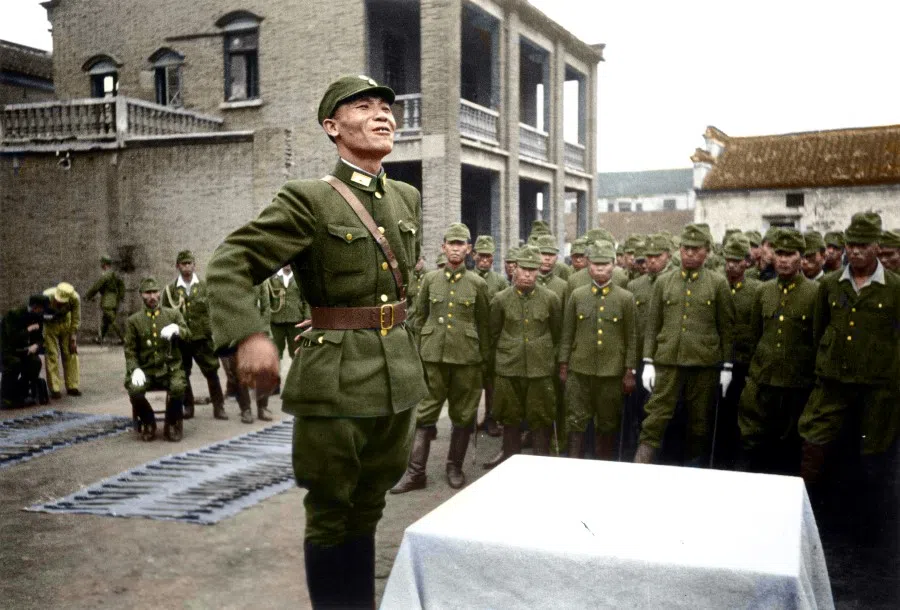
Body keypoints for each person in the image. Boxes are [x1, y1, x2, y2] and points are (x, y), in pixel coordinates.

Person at [206, 75, 426, 608]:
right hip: (337, 380)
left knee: (369, 506)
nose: (383, 115)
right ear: (333, 127)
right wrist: (249, 334)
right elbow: (231, 263)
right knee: (331, 509)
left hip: (397, 373)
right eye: (364, 107)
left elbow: (400, 285)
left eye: (386, 108)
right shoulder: (309, 199)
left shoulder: (406, 197)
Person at [798, 212, 900, 538]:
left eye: (863, 245)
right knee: (815, 444)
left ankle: (871, 529)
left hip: (876, 387)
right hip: (833, 382)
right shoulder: (831, 284)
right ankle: (810, 520)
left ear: (877, 246)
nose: (855, 251)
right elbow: (819, 330)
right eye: (851, 244)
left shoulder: (894, 288)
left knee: (873, 455)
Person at [392, 222, 490, 493]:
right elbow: (418, 318)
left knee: (463, 415)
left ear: (468, 249)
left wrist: (483, 362)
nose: (456, 249)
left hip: (466, 360)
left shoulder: (478, 284)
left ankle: (454, 467)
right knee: (424, 414)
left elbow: (485, 326)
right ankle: (416, 473)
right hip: (432, 358)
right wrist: (417, 353)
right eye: (451, 244)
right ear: (443, 247)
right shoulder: (430, 280)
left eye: (461, 244)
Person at [635, 224, 735, 466]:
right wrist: (648, 361)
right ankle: (640, 469)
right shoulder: (664, 282)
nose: (689, 253)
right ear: (678, 250)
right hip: (668, 362)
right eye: (685, 248)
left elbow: (726, 328)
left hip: (703, 365)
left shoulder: (717, 283)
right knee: (654, 418)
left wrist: (727, 366)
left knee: (699, 424)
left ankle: (694, 471)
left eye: (696, 249)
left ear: (707, 251)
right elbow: (653, 325)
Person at [738, 229, 816, 475]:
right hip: (764, 382)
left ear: (801, 257)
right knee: (759, 447)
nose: (783, 260)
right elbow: (755, 336)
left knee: (790, 450)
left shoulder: (815, 293)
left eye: (790, 254)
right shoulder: (763, 291)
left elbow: (816, 340)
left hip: (797, 385)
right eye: (779, 253)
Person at [483, 245, 561, 468]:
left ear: (538, 271)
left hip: (539, 368)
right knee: (510, 418)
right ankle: (510, 464)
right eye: (523, 269)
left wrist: (549, 360)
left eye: (532, 269)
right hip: (509, 368)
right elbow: (493, 335)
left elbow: (557, 334)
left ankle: (540, 466)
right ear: (514, 268)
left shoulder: (550, 299)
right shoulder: (500, 299)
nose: (527, 274)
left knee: (541, 418)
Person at [560, 241, 637, 460]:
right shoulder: (577, 295)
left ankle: (603, 467)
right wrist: (564, 365)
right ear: (588, 265)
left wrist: (629, 371)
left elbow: (631, 338)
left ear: (614, 265)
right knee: (576, 421)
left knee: (607, 423)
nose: (600, 268)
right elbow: (568, 333)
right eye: (595, 264)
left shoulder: (625, 298)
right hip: (580, 370)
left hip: (611, 372)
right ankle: (574, 463)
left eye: (605, 264)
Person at [162, 250, 228, 421]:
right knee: (183, 373)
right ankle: (188, 406)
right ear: (177, 266)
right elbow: (165, 315)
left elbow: (214, 310)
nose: (187, 267)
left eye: (189, 263)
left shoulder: (205, 287)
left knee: (211, 371)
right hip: (181, 339)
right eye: (183, 264)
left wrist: (213, 332)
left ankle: (219, 407)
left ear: (194, 265)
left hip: (202, 339)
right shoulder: (170, 291)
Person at [124, 278, 190, 442]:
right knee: (134, 390)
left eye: (155, 292)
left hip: (170, 369)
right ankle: (148, 421)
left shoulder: (173, 315)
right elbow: (130, 350)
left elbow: (188, 335)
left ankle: (172, 422)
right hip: (146, 370)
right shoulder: (134, 321)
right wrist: (135, 369)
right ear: (141, 295)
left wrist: (177, 329)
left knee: (178, 387)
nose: (152, 296)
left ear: (160, 293)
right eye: (148, 293)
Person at [716, 236, 761, 468]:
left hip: (744, 363)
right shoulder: (717, 285)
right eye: (728, 260)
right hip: (718, 362)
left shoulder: (756, 290)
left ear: (747, 262)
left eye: (737, 261)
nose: (731, 265)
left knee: (742, 419)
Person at [221, 283, 275, 423]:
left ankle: (262, 408)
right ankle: (245, 409)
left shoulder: (260, 280)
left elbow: (266, 307)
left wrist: (262, 330)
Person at [472, 235, 509, 438]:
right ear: (474, 255)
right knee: (471, 381)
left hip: (494, 338)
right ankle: (468, 420)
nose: (485, 260)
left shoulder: (500, 281)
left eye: (488, 256)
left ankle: (491, 419)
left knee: (492, 382)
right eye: (481, 256)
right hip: (472, 337)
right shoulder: (468, 278)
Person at [1, 294, 49, 409]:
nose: (43, 312)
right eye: (42, 309)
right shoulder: (14, 314)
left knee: (35, 362)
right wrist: (28, 329)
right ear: (35, 307)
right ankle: (6, 396)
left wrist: (36, 345)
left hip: (24, 350)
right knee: (14, 363)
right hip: (7, 349)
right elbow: (11, 337)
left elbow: (39, 338)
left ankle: (21, 392)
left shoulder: (37, 316)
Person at [42, 282, 81, 399]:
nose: (59, 303)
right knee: (52, 354)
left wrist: (73, 338)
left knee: (70, 353)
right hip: (50, 326)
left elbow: (76, 318)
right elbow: (40, 314)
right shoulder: (46, 296)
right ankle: (55, 388)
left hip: (66, 324)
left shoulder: (75, 298)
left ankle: (72, 386)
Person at [84, 255, 126, 345]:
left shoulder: (106, 275)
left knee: (113, 321)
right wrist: (121, 297)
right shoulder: (115, 274)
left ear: (104, 264)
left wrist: (87, 296)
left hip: (107, 301)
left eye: (102, 263)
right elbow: (122, 286)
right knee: (105, 321)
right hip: (115, 300)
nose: (101, 265)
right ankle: (100, 338)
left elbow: (96, 287)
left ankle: (124, 339)